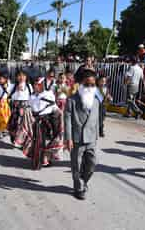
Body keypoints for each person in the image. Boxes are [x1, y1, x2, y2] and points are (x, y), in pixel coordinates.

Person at [64, 69, 101, 200]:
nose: (90, 87)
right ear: (80, 84)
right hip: (76, 138)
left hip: (91, 139)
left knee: (92, 163)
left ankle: (84, 181)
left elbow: (96, 120)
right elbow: (67, 121)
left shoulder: (96, 100)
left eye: (93, 85)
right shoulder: (72, 100)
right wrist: (68, 139)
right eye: (87, 84)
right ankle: (78, 188)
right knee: (76, 165)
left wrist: (96, 136)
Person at [29, 77, 64, 170]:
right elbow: (31, 108)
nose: (36, 86)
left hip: (48, 121)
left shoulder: (48, 94)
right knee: (36, 141)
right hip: (36, 121)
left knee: (49, 140)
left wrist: (59, 112)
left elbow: (54, 106)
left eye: (38, 84)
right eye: (35, 84)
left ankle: (47, 157)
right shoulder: (32, 96)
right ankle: (37, 159)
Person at [7, 69, 35, 148]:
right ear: (16, 77)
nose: (21, 77)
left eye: (23, 75)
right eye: (19, 75)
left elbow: (32, 97)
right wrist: (16, 90)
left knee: (24, 125)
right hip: (16, 108)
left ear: (26, 77)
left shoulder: (29, 86)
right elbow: (9, 97)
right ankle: (14, 138)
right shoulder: (13, 86)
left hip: (26, 108)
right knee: (15, 124)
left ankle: (22, 141)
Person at [0, 71, 13, 138]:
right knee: (0, 118)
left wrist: (6, 88)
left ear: (6, 79)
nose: (0, 80)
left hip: (6, 104)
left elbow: (10, 94)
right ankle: (1, 131)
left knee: (6, 117)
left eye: (1, 78)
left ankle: (5, 129)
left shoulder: (10, 85)